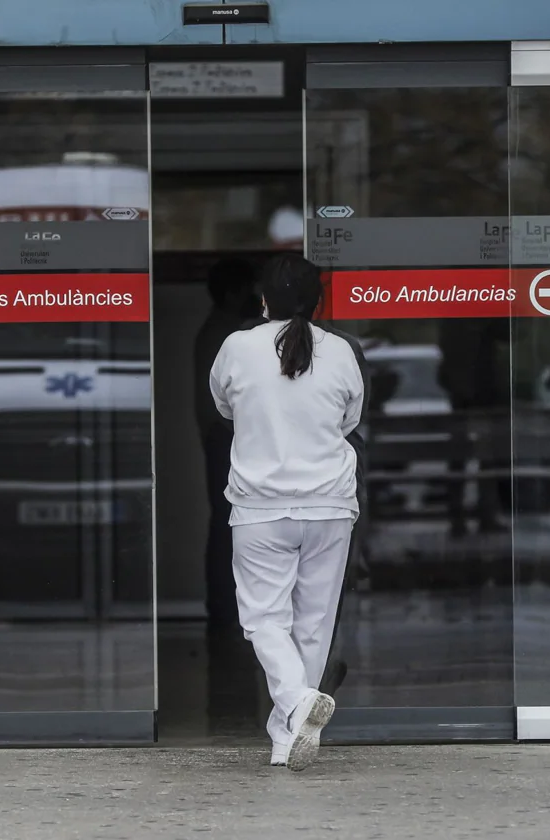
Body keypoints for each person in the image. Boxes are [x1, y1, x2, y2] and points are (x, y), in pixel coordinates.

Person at [209, 253, 364, 771]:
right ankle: (287, 736)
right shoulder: (340, 351)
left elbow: (224, 406)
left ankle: (296, 705)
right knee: (314, 624)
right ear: (318, 302)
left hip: (261, 509)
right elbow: (349, 419)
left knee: (263, 619)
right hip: (328, 505)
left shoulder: (237, 346)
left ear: (264, 301)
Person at [194, 258, 260, 631]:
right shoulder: (225, 336)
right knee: (227, 524)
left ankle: (224, 608)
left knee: (226, 523)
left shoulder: (219, 332)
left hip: (223, 437)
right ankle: (223, 608)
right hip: (225, 439)